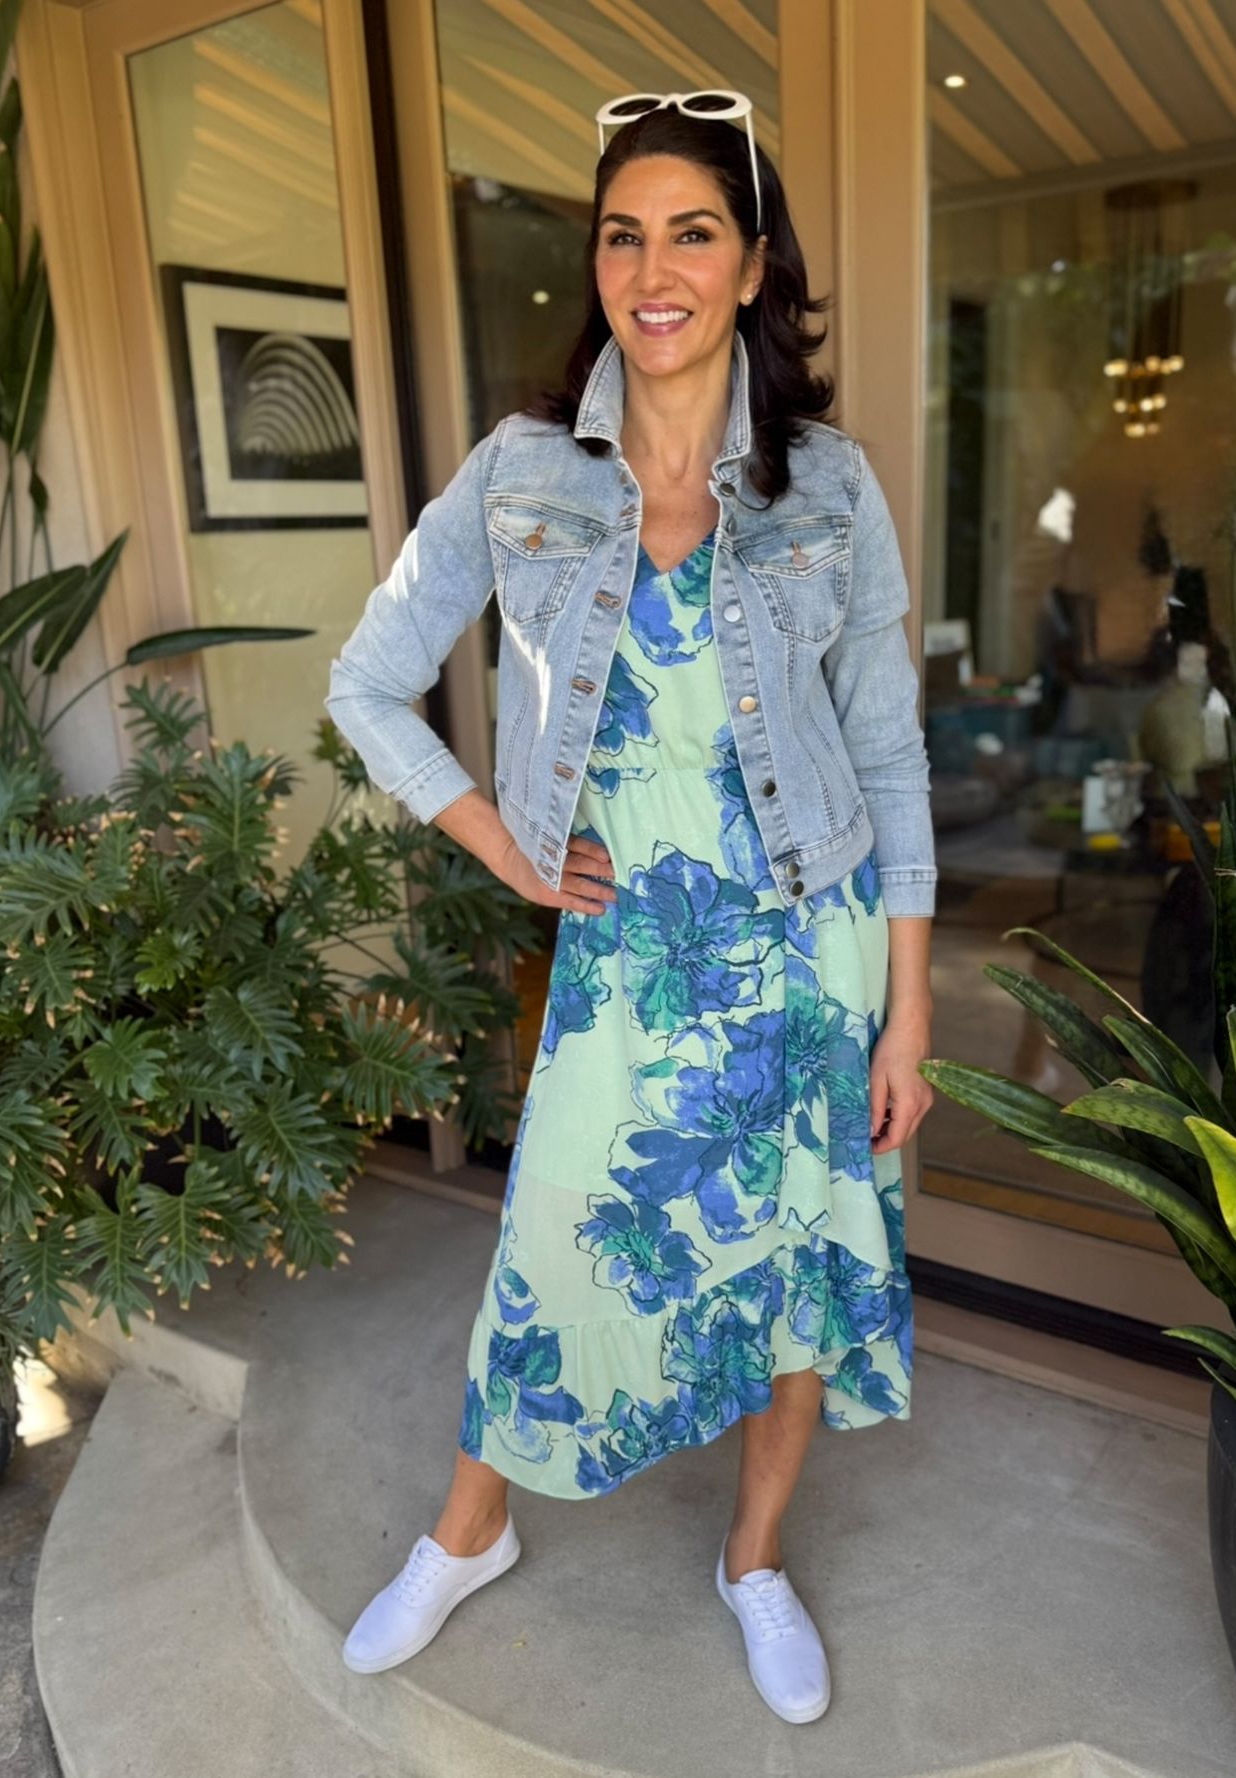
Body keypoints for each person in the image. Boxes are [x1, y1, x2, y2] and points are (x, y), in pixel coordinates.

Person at [321, 89, 937, 1727]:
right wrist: (500, 841)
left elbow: (888, 752)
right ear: (595, 262)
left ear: (752, 266)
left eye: (694, 233)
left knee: (797, 1268)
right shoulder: (523, 474)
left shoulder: (831, 488)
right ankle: (472, 1529)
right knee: (553, 1240)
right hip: (628, 957)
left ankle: (754, 1558)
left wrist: (911, 1007)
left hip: (811, 938)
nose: (654, 271)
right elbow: (368, 680)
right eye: (622, 235)